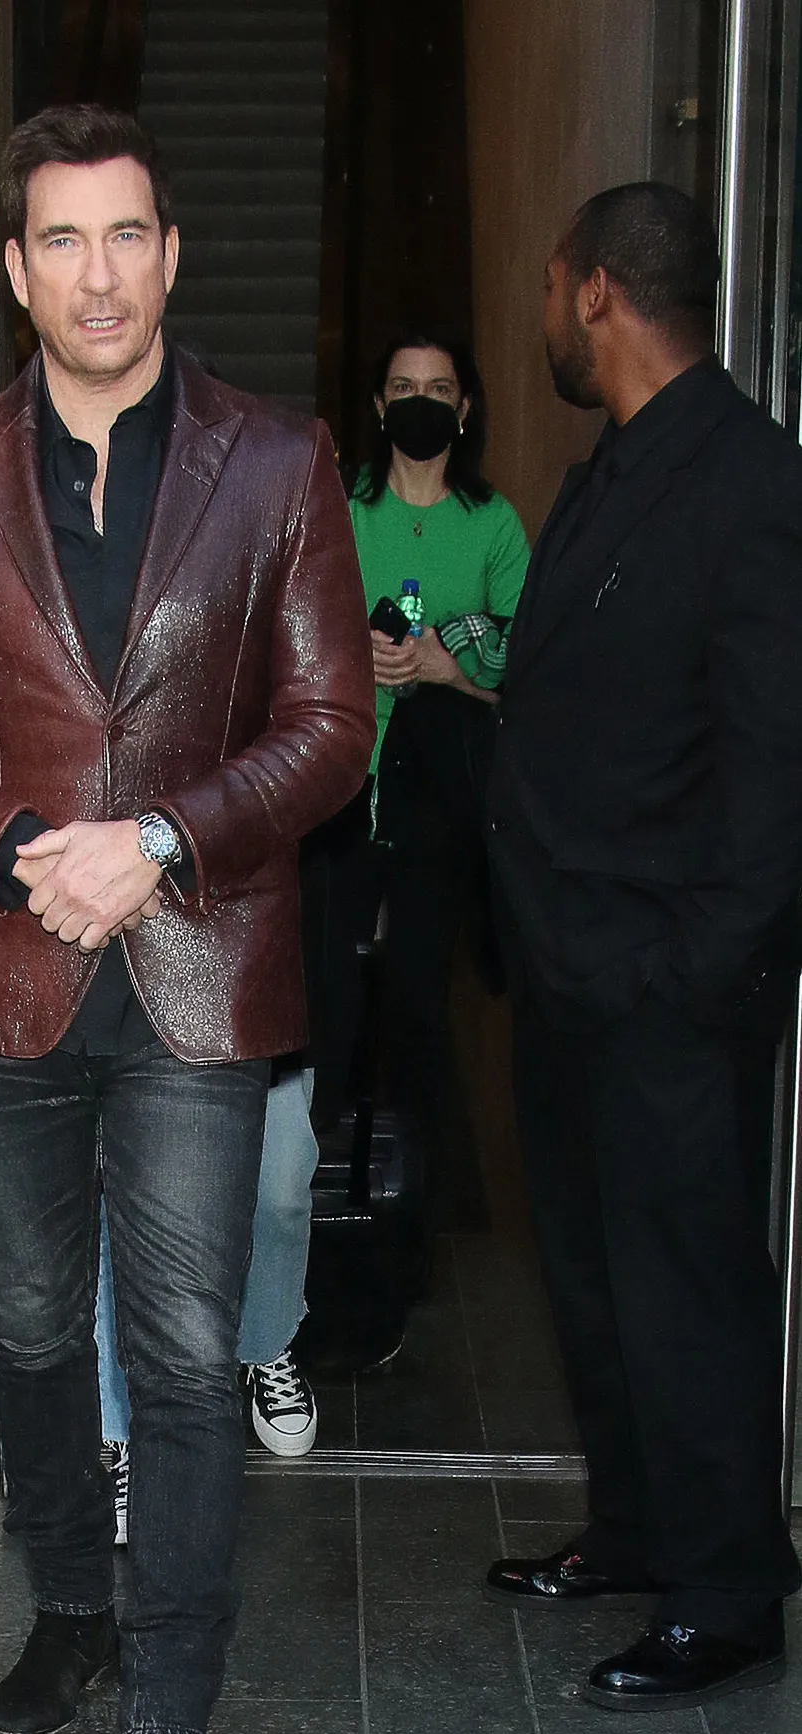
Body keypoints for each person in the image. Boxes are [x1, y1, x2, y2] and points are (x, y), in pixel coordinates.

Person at [0, 103, 374, 1734]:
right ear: (17, 269)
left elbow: (331, 727)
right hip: (3, 970)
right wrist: (18, 847)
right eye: (62, 240)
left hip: (198, 969)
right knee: (28, 1322)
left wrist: (153, 841)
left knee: (187, 1348)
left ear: (171, 252)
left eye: (126, 234)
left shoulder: (275, 463)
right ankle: (72, 1605)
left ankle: (169, 1724)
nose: (98, 274)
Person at [484, 181, 802, 1708]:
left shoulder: (752, 482)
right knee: (602, 1281)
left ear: (597, 291)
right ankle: (634, 1531)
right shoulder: (609, 469)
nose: (547, 316)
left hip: (669, 984)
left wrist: (691, 974)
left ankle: (729, 1589)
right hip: (574, 972)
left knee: (688, 1286)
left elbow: (775, 773)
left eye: (554, 289)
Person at [350, 333, 530, 1215]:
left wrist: (448, 670)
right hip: (342, 793)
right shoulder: (339, 511)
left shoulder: (493, 525)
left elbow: (533, 676)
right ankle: (333, 1195)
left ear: (463, 410)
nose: (419, 401)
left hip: (440, 807)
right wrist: (356, 657)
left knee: (420, 1003)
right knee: (336, 1001)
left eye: (438, 387)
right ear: (380, 407)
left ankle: (421, 1214)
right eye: (402, 387)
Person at [97, 1062, 320, 1543]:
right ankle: (126, 1426)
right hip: (128, 1022)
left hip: (256, 1027)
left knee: (279, 1186)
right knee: (122, 1188)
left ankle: (264, 1341)